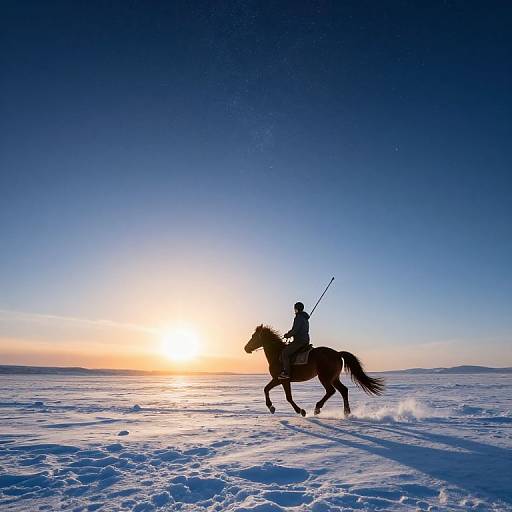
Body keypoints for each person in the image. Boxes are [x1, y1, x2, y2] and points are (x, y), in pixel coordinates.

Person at [279, 302, 310, 379]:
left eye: (295, 308)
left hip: (299, 341)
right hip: (305, 340)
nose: (294, 310)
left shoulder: (298, 317)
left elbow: (295, 330)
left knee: (285, 353)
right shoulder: (305, 318)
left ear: (296, 309)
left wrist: (287, 335)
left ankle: (286, 373)